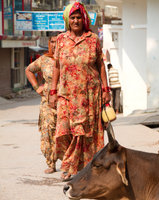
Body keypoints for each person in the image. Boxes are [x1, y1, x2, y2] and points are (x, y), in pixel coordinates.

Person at [49, 2, 111, 181]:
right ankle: (71, 163)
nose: (76, 21)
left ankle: (77, 168)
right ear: (68, 20)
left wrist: (106, 90)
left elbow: (100, 64)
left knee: (85, 132)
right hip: (66, 94)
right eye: (72, 18)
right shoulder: (60, 40)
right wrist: (53, 91)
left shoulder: (92, 39)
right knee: (65, 131)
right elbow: (57, 66)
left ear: (83, 19)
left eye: (78, 17)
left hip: (89, 94)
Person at [25, 32, 60, 174]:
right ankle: (51, 163)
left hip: (65, 100)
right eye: (52, 41)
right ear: (49, 43)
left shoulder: (67, 59)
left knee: (65, 133)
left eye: (57, 41)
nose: (54, 44)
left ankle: (68, 165)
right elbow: (28, 70)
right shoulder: (44, 60)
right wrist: (36, 87)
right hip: (47, 102)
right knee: (47, 131)